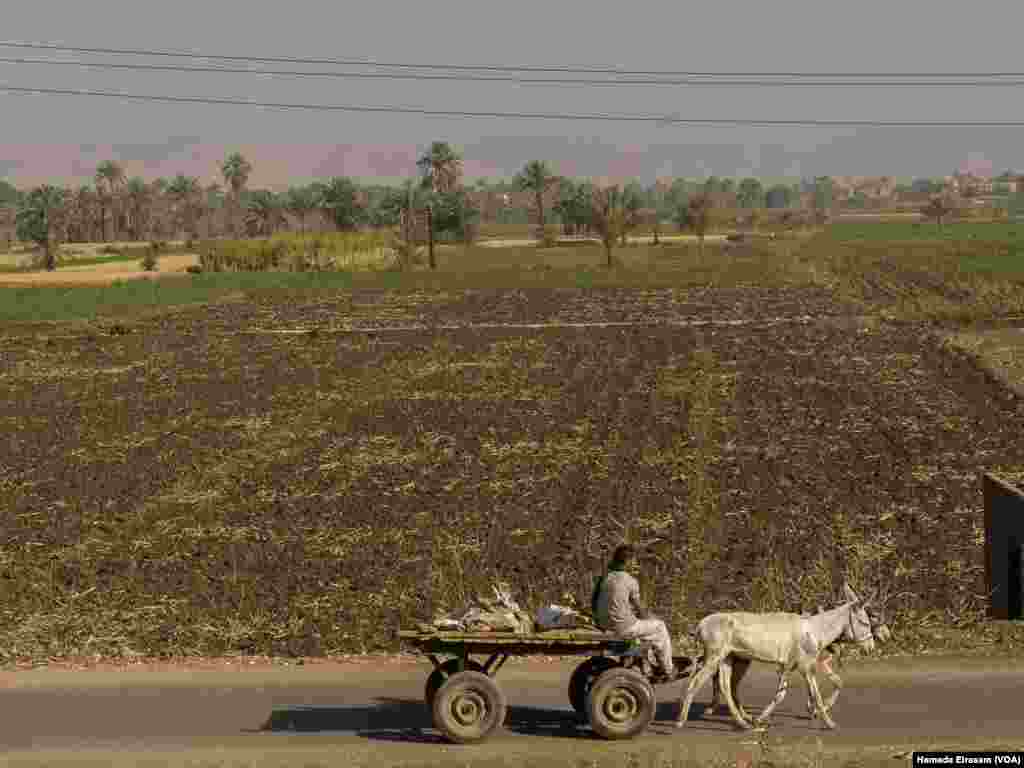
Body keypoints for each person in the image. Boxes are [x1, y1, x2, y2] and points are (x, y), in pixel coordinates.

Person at [591, 543, 676, 681]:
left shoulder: (605, 578)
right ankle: (668, 669)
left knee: (642, 626)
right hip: (622, 627)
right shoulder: (630, 581)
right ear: (628, 561)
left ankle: (643, 665)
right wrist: (651, 618)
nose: (635, 564)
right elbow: (641, 610)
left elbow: (595, 602)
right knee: (660, 627)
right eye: (634, 560)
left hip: (603, 624)